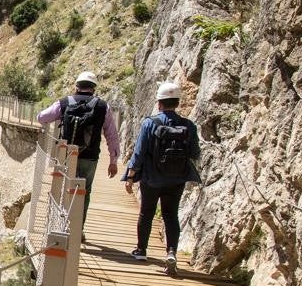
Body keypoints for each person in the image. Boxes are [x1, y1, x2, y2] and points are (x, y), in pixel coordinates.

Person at [122, 81, 201, 270]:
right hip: (177, 179)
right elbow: (195, 153)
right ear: (177, 103)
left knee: (146, 213)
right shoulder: (188, 125)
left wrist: (131, 176)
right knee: (170, 215)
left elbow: (139, 153)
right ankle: (171, 252)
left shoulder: (150, 123)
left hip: (151, 178)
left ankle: (141, 250)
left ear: (159, 103)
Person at [36, 71, 120, 240]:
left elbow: (42, 117)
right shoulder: (103, 107)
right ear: (94, 88)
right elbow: (112, 135)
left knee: (66, 189)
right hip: (90, 157)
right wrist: (113, 160)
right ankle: (78, 228)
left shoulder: (65, 103)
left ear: (77, 86)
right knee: (85, 192)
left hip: (66, 155)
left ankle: (63, 225)